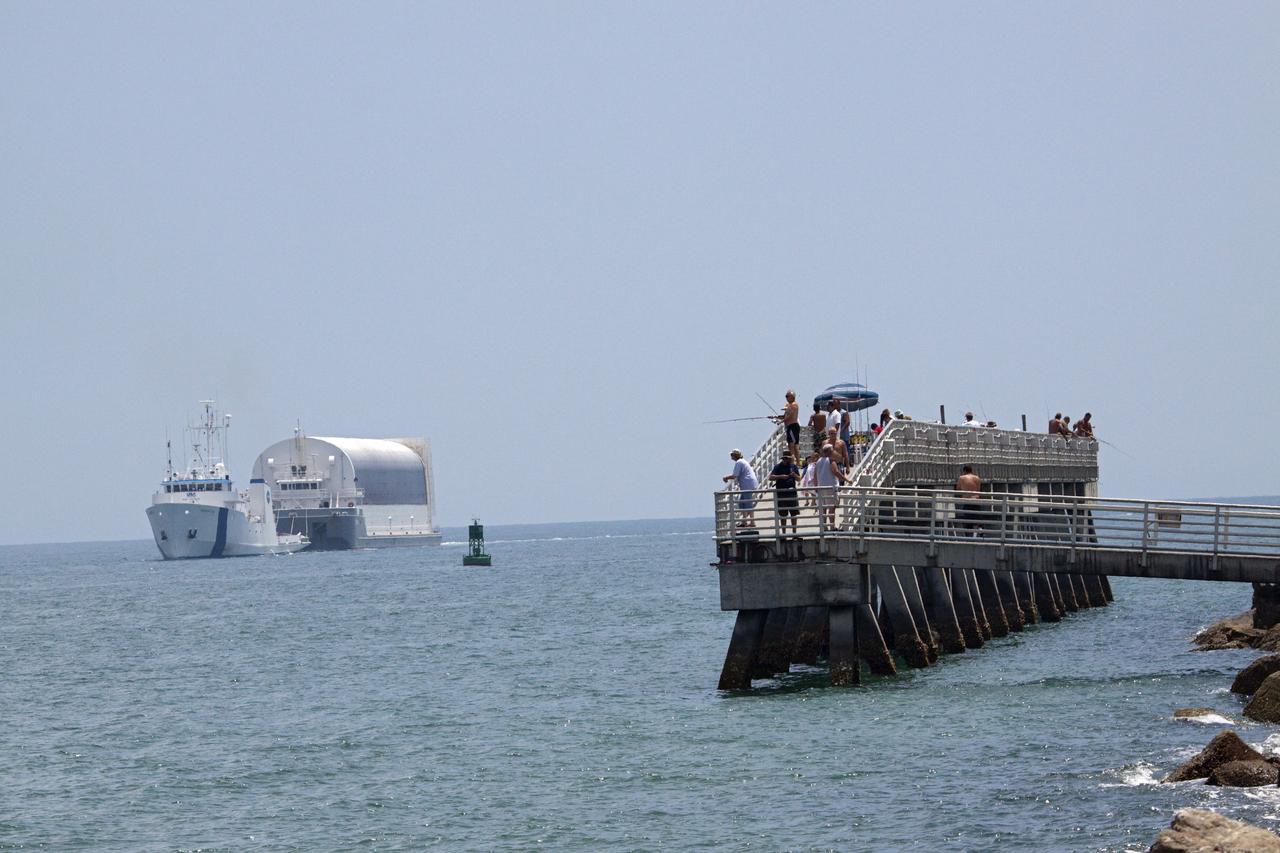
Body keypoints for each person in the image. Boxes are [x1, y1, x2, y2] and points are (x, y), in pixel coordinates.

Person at [813, 444, 848, 529]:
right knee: (832, 508)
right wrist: (847, 480)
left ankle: (824, 527)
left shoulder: (818, 461)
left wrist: (816, 487)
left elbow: (814, 476)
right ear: (830, 451)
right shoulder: (831, 460)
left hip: (821, 487)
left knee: (824, 508)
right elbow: (835, 471)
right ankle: (832, 527)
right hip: (831, 487)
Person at [722, 449, 759, 527]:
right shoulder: (742, 461)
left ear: (735, 455)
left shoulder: (739, 462)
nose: (731, 456)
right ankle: (744, 521)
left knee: (748, 503)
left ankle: (752, 522)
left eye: (732, 455)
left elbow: (735, 475)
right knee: (742, 503)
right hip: (749, 483)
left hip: (747, 484)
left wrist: (726, 477)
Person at [768, 452, 801, 535]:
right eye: (785, 458)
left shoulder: (793, 466)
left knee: (793, 514)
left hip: (791, 492)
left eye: (788, 458)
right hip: (781, 492)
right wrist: (781, 476)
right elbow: (771, 477)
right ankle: (784, 534)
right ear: (783, 459)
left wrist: (794, 475)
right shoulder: (778, 467)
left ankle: (794, 533)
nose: (787, 460)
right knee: (783, 515)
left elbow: (799, 479)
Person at [772, 389, 801, 465]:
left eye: (787, 396)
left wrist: (781, 421)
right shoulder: (788, 406)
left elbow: (790, 416)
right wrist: (776, 417)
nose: (786, 398)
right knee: (790, 445)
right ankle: (793, 462)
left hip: (793, 426)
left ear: (792, 397)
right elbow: (785, 416)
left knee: (794, 445)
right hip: (789, 427)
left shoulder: (794, 405)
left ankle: (797, 462)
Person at [955, 464, 983, 535]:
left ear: (964, 471)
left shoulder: (962, 478)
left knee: (968, 520)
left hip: (967, 501)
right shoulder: (977, 478)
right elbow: (979, 490)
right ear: (971, 471)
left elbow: (958, 489)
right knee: (977, 518)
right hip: (976, 500)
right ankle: (980, 530)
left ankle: (969, 536)